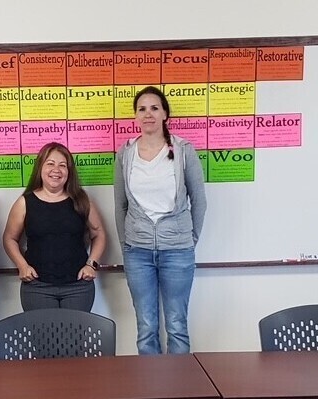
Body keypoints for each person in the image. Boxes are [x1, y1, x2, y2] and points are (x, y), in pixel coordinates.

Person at [114, 86, 207, 355]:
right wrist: (126, 243)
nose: (148, 114)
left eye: (154, 108)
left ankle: (179, 392)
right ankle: (151, 392)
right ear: (135, 116)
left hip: (177, 250)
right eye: (142, 109)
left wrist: (189, 240)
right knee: (146, 327)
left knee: (177, 325)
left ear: (165, 113)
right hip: (137, 251)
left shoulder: (183, 150)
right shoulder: (125, 153)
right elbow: (120, 205)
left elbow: (198, 201)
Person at [3, 142, 106, 312]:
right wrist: (22, 265)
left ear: (69, 171)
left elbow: (99, 233)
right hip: (37, 287)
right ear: (40, 168)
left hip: (78, 288)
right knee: (42, 338)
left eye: (62, 165)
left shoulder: (81, 200)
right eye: (50, 164)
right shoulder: (25, 202)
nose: (56, 170)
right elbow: (9, 238)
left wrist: (91, 264)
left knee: (74, 339)